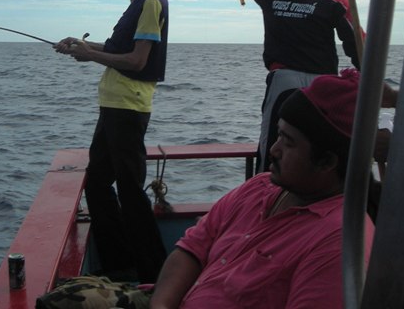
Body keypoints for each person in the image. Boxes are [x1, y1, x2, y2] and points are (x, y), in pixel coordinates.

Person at [149, 68, 375, 309]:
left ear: (327, 162)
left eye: (288, 143)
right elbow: (192, 250)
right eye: (278, 135)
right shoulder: (258, 187)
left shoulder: (339, 242)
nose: (274, 150)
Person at [55, 0, 169, 283]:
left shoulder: (151, 2)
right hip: (114, 105)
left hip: (128, 107)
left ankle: (155, 273)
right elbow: (119, 49)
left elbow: (137, 61)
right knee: (99, 182)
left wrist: (91, 56)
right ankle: (120, 264)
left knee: (131, 191)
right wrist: (82, 45)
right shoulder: (141, 0)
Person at [220, 0, 361, 172]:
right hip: (324, 84)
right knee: (317, 149)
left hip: (283, 81)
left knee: (272, 147)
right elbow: (358, 44)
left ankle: (267, 200)